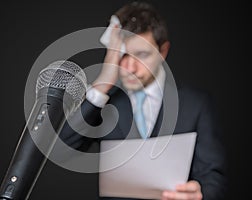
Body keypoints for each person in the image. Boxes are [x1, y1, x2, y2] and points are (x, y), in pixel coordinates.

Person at [59, 1, 227, 200]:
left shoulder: (196, 103)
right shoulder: (104, 103)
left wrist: (201, 193)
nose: (129, 67)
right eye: (122, 55)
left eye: (142, 55)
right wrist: (103, 84)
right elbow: (63, 148)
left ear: (162, 51)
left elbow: (213, 175)